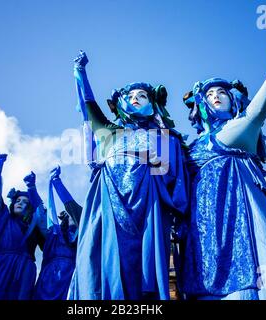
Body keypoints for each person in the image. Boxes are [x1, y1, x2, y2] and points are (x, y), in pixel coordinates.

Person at [179, 14, 266, 300]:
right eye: (209, 94)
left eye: (221, 92)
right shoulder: (190, 148)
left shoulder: (239, 130)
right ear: (201, 105)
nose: (216, 96)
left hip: (242, 225)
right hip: (204, 235)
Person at [68, 51, 189, 300]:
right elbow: (89, 107)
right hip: (110, 201)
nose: (135, 99)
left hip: (148, 207)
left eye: (142, 95)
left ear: (152, 104)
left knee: (146, 270)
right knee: (105, 262)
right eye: (130, 96)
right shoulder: (110, 133)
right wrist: (80, 73)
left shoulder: (166, 138)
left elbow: (175, 180)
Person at [0, 154, 45, 300]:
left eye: (25, 202)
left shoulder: (36, 227)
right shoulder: (4, 217)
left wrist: (32, 188)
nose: (20, 203)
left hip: (24, 270)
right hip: (0, 265)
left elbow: (40, 210)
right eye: (17, 200)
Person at [33, 166, 82, 300]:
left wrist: (56, 181)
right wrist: (31, 188)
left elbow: (70, 204)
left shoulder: (82, 237)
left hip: (71, 277)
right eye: (69, 214)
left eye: (75, 214)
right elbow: (40, 214)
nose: (72, 214)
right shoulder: (53, 234)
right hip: (47, 278)